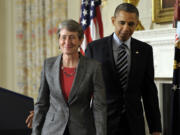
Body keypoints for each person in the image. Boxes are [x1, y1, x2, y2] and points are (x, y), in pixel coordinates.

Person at [85, 3, 162, 135]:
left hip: (134, 125)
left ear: (136, 23)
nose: (126, 28)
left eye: (131, 24)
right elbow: (85, 90)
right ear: (113, 21)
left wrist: (155, 129)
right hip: (103, 125)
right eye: (122, 23)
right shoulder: (94, 48)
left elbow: (149, 92)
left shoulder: (145, 50)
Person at [31, 19, 107, 135]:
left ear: (80, 40)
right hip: (52, 130)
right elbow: (42, 103)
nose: (67, 42)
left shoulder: (94, 67)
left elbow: (99, 107)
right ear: (59, 40)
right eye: (63, 37)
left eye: (72, 37)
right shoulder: (48, 65)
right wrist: (35, 132)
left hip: (82, 129)